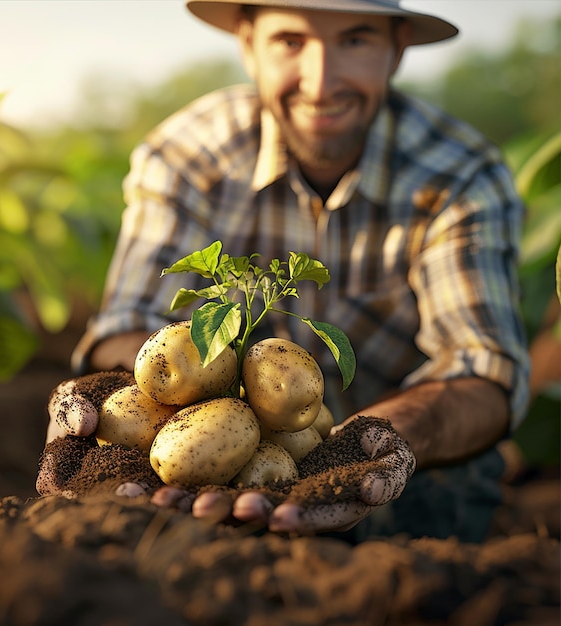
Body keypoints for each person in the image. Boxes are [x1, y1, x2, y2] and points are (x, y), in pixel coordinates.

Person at [39, 0, 530, 543]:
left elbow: (482, 367)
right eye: (289, 41)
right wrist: (116, 395)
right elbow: (131, 321)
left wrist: (381, 439)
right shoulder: (190, 153)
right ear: (248, 45)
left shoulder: (461, 172)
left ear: (396, 49)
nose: (320, 83)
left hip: (415, 473)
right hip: (215, 470)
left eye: (356, 40)